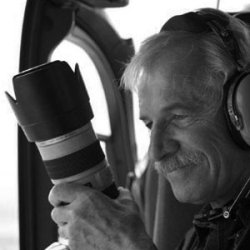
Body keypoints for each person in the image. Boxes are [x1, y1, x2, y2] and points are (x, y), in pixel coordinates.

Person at [48, 8, 250, 250]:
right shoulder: (205, 232)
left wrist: (125, 242)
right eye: (150, 125)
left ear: (241, 106)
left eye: (177, 116)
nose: (156, 151)